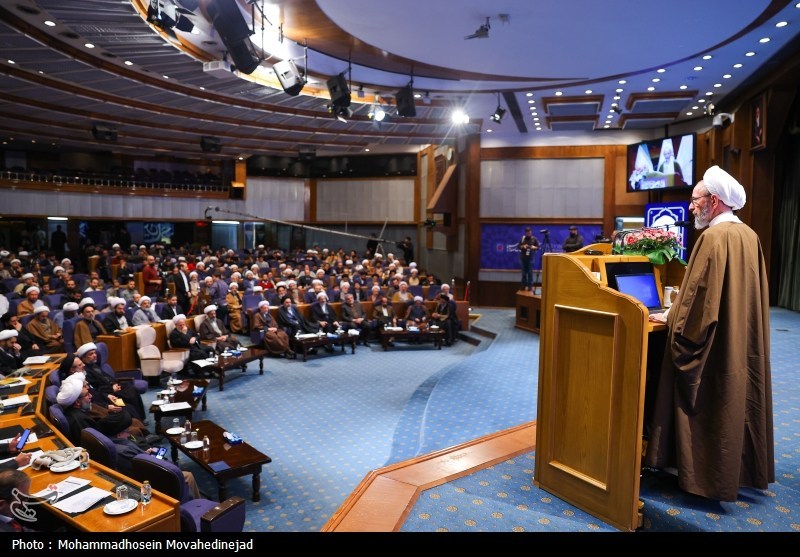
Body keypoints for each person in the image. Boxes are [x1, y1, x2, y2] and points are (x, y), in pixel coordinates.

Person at [644, 165, 773, 502]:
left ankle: (697, 473)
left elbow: (696, 305)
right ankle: (736, 470)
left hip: (715, 345)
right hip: (738, 339)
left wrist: (670, 320)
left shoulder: (714, 238)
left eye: (694, 200)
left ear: (714, 201)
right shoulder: (749, 235)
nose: (690, 207)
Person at [102, 411, 201, 499]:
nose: (129, 434)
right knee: (188, 476)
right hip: (147, 481)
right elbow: (143, 472)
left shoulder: (113, 443)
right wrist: (149, 459)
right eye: (127, 431)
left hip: (141, 472)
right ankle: (197, 505)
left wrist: (144, 455)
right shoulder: (124, 451)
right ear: (119, 434)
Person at [77, 342, 146, 421]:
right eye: (91, 354)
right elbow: (97, 388)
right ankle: (139, 419)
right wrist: (112, 389)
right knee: (130, 396)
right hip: (108, 393)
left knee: (132, 388)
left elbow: (107, 377)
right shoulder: (86, 372)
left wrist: (114, 384)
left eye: (95, 353)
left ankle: (141, 417)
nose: (94, 355)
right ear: (83, 357)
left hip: (112, 387)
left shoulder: (94, 365)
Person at [518, 227, 539, 292]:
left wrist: (534, 247)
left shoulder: (534, 239)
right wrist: (523, 246)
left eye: (529, 232)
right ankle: (523, 286)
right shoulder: (522, 238)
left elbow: (538, 247)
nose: (528, 233)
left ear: (531, 232)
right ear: (525, 233)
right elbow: (518, 246)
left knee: (530, 273)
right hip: (523, 259)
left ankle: (530, 286)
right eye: (527, 232)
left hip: (530, 258)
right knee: (524, 273)